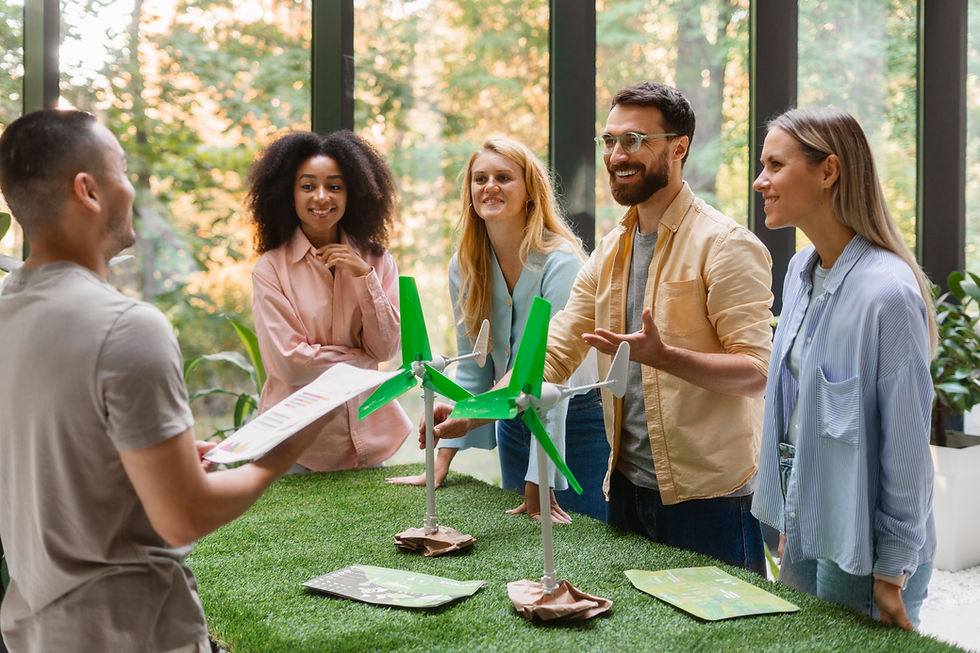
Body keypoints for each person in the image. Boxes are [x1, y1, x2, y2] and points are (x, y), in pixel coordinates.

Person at [0, 109, 318, 652]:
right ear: (89, 190)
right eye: (121, 169)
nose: (131, 188)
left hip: (36, 633)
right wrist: (282, 451)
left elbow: (48, 448)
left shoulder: (8, 308)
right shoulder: (127, 327)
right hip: (132, 635)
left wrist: (143, 456)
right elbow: (184, 516)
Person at [431, 82, 774, 574]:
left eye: (634, 140)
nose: (617, 154)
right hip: (627, 493)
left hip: (711, 503)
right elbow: (549, 357)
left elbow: (758, 372)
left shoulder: (726, 246)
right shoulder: (610, 251)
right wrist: (471, 412)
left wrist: (665, 356)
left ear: (678, 147)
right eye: (609, 141)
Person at [750, 107, 937, 630]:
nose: (760, 181)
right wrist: (790, 515)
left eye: (775, 165)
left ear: (828, 171)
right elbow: (795, 415)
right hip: (808, 534)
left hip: (869, 558)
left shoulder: (888, 293)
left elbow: (906, 448)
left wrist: (892, 572)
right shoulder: (798, 272)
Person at [387, 137, 608, 523]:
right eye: (480, 179)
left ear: (529, 192)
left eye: (503, 177)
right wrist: (442, 462)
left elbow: (545, 374)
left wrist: (540, 479)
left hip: (576, 420)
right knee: (524, 547)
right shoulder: (465, 264)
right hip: (508, 418)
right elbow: (474, 368)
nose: (489, 186)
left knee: (582, 544)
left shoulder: (562, 261)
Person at [248, 130, 411, 472]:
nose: (321, 197)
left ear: (352, 192)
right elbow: (290, 364)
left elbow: (385, 350)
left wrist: (364, 277)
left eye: (334, 186)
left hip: (371, 444)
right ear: (288, 194)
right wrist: (360, 362)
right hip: (297, 449)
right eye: (307, 186)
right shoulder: (270, 270)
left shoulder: (378, 262)